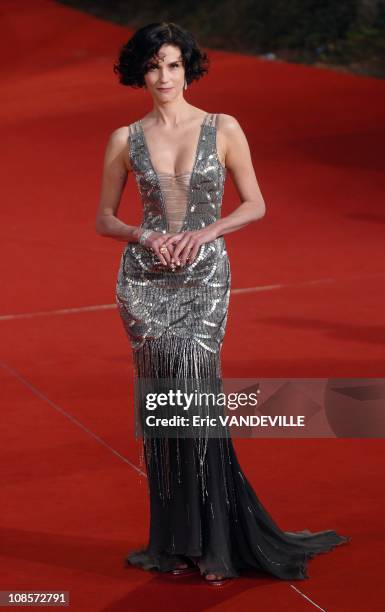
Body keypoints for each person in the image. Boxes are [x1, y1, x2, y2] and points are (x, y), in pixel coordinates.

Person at [95, 22, 351, 586]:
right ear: (139, 71)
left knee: (197, 395)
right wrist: (144, 236)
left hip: (205, 279)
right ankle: (175, 543)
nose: (164, 77)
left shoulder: (223, 127)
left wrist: (206, 232)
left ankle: (215, 540)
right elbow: (104, 219)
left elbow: (254, 204)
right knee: (163, 405)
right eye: (154, 66)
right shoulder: (125, 138)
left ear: (189, 69)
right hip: (145, 282)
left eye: (174, 65)